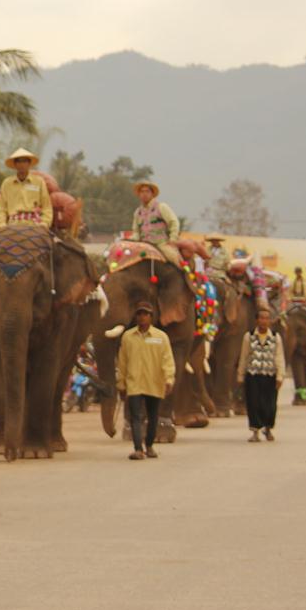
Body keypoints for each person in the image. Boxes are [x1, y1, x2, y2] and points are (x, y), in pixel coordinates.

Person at [116, 302, 175, 460]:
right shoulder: (128, 337)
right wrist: (121, 384)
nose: (142, 317)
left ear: (151, 317)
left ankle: (149, 445)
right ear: (135, 317)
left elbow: (167, 360)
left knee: (153, 416)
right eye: (139, 314)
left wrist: (169, 379)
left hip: (154, 383)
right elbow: (122, 362)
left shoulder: (161, 338)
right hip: (134, 383)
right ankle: (138, 449)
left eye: (145, 314)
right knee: (136, 416)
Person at [236, 306, 286, 442]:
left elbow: (279, 356)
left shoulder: (276, 337)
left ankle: (268, 429)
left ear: (270, 321)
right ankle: (255, 431)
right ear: (256, 320)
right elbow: (244, 356)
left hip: (270, 375)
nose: (264, 321)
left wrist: (280, 376)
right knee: (253, 403)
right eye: (261, 318)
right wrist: (240, 375)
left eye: (267, 318)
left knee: (270, 404)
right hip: (253, 374)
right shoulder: (249, 336)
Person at [0, 148, 53, 229]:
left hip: (35, 224)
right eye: (19, 161)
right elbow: (0, 207)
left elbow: (47, 207)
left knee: (50, 241)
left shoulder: (39, 182)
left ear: (29, 163)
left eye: (24, 161)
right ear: (15, 164)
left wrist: (44, 223)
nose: (22, 164)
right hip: (12, 224)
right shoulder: (6, 183)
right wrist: (2, 225)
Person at [130, 180, 182, 266]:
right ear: (139, 194)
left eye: (147, 191)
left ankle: (186, 276)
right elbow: (136, 231)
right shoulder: (137, 212)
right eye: (142, 191)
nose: (144, 194)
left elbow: (174, 222)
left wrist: (173, 239)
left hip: (161, 244)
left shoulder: (161, 207)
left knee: (174, 258)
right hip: (143, 246)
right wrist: (132, 240)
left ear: (152, 194)